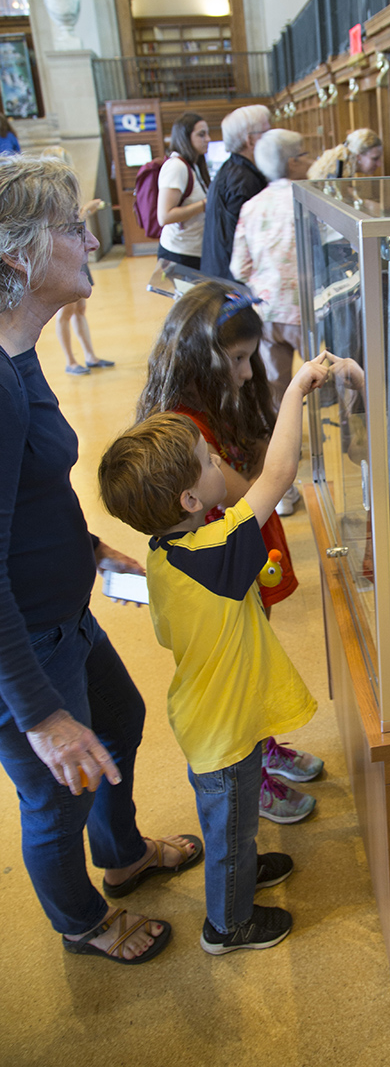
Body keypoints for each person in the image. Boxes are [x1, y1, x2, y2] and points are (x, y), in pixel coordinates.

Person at [0, 154, 202, 966]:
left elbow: (25, 495)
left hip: (62, 615)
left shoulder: (21, 350)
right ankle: (82, 923)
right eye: (70, 228)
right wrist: (41, 714)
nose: (90, 239)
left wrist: (86, 548)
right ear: (17, 255)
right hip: (25, 644)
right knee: (54, 795)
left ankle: (121, 860)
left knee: (118, 722)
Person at [98, 352, 329, 954]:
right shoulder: (216, 551)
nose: (217, 465)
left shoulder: (168, 552)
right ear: (189, 501)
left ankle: (244, 876)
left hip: (214, 715)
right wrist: (298, 388)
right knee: (228, 830)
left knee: (237, 819)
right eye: (207, 464)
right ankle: (228, 925)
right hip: (221, 728)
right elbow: (275, 480)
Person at [136, 277, 325, 822]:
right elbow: (260, 482)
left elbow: (259, 459)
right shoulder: (184, 425)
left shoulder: (220, 399)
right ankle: (252, 771)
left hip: (244, 551)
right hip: (226, 563)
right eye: (238, 360)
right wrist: (281, 421)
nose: (246, 371)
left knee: (256, 651)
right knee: (241, 671)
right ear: (203, 359)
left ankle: (263, 747)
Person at [229, 128, 312, 518]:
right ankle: (363, 479)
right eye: (305, 154)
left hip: (266, 315)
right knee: (339, 389)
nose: (310, 160)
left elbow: (239, 266)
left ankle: (283, 494)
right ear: (293, 161)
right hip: (313, 313)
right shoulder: (313, 201)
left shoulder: (252, 205)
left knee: (275, 399)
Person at [200, 104, 271, 279]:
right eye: (267, 133)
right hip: (233, 281)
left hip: (222, 273)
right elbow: (251, 239)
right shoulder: (243, 180)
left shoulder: (233, 169)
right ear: (251, 141)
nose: (272, 140)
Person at [55, 197, 115, 375]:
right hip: (65, 261)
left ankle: (90, 356)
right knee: (65, 312)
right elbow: (65, 228)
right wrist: (86, 210)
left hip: (78, 258)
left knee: (80, 308)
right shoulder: (53, 207)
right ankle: (70, 361)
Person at [157, 110, 210, 269]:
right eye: (201, 135)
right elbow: (164, 216)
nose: (208, 139)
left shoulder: (194, 165)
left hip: (193, 251)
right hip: (179, 254)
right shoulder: (176, 167)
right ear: (185, 138)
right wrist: (204, 204)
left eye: (207, 134)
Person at [307, 128, 382, 180]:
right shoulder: (341, 180)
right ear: (358, 157)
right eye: (375, 159)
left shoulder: (339, 169)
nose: (379, 164)